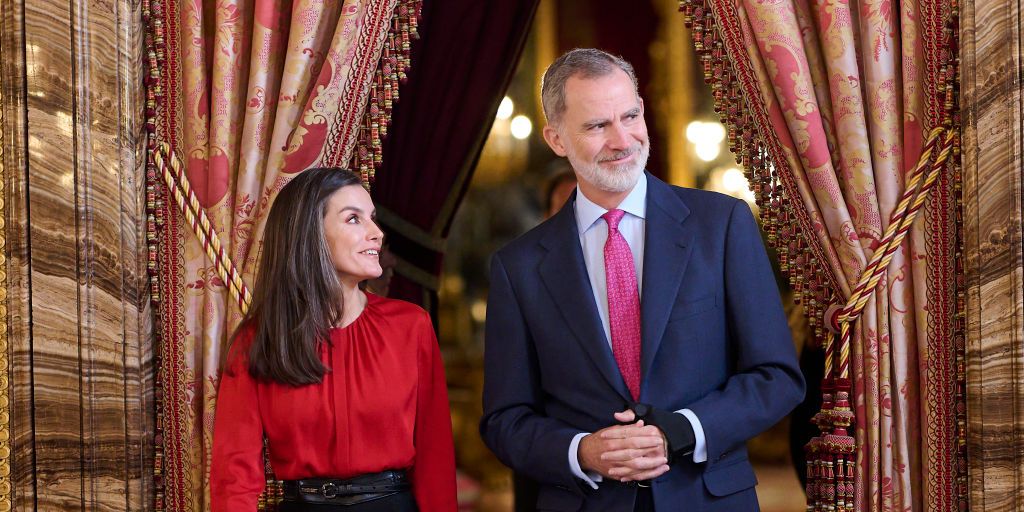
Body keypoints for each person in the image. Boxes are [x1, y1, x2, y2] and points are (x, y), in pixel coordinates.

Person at [480, 48, 805, 511]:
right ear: (556, 138)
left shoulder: (722, 225)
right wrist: (582, 452)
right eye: (596, 126)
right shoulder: (518, 266)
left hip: (708, 498)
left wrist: (685, 429)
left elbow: (777, 377)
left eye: (630, 116)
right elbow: (505, 420)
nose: (622, 139)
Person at [210, 168, 457, 511]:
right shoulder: (258, 340)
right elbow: (233, 479)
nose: (377, 233)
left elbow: (436, 459)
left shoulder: (411, 326)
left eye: (372, 218)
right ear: (310, 235)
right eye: (354, 219)